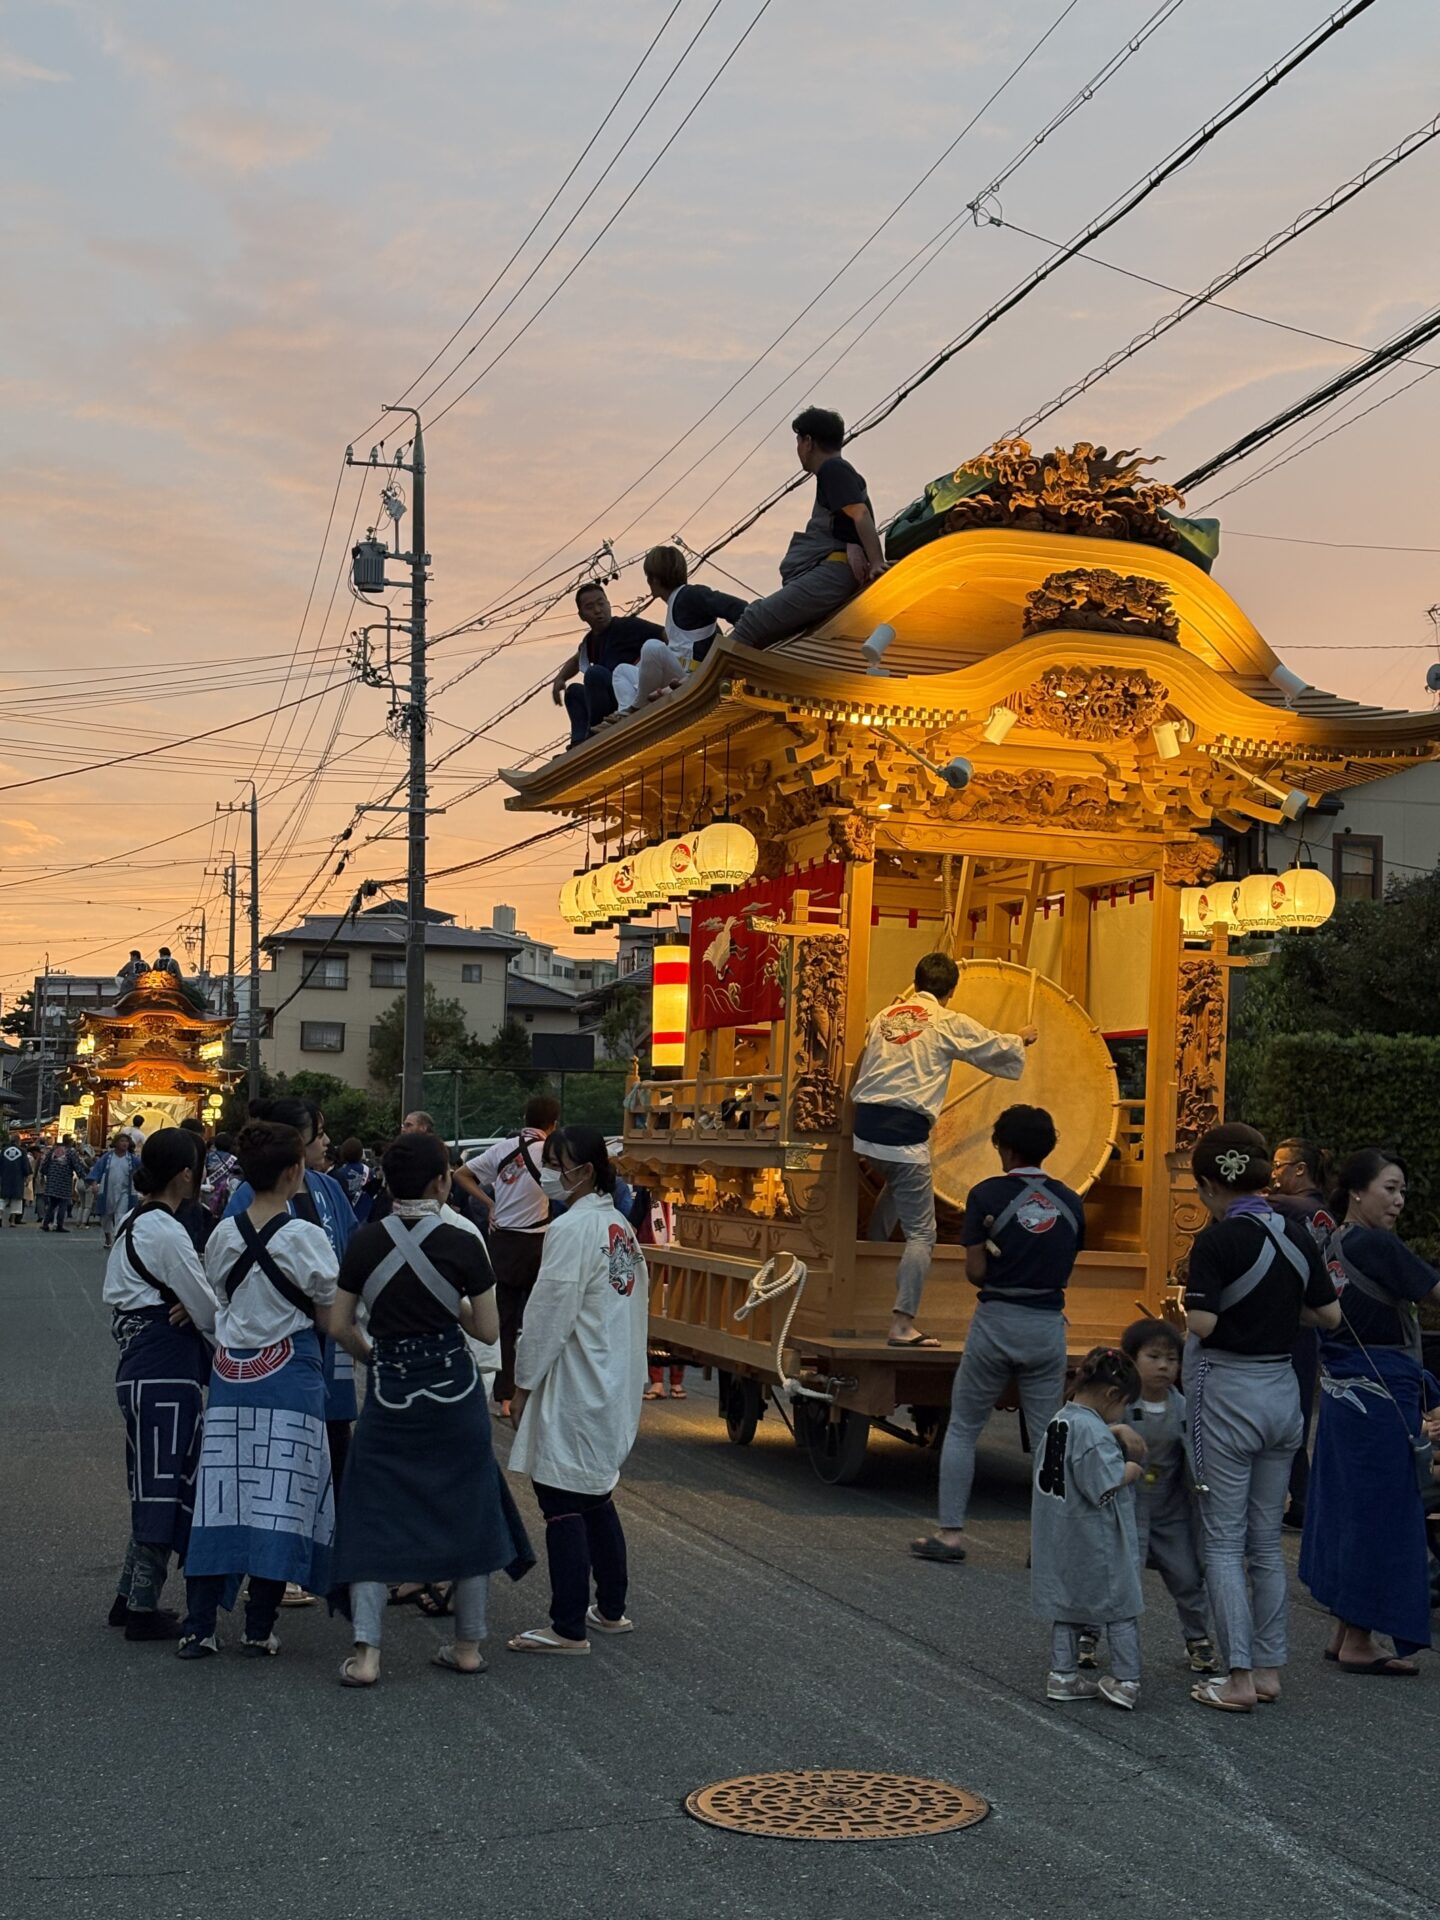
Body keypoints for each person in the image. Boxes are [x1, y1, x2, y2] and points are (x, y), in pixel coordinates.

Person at [327, 1131, 534, 1686]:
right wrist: (453, 1302)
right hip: (453, 1393)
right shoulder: (464, 1242)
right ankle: (467, 1645)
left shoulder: (364, 1241)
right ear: (443, 1181)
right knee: (468, 1506)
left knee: (371, 1510)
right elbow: (488, 1329)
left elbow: (338, 1324)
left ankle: (367, 1655)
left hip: (391, 1391)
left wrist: (372, 1356)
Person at [1183, 1123, 1339, 1712]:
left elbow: (1201, 1325)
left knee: (1223, 1543)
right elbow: (1327, 1315)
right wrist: (1276, 1314)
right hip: (1284, 1392)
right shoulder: (1297, 1233)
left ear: (1205, 1184)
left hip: (1228, 1391)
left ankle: (1238, 1676)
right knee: (1266, 1543)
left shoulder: (1216, 1242)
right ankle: (1269, 1669)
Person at [179, 1120, 339, 1659]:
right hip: (290, 1374)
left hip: (230, 1375)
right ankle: (257, 1625)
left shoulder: (223, 1233)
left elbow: (220, 1294)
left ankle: (199, 1624)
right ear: (295, 1171)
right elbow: (328, 1304)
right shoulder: (307, 1237)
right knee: (283, 1498)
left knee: (220, 1494)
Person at [911, 1104, 1082, 1563]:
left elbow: (975, 1270)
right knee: (1050, 1437)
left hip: (997, 1320)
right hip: (1047, 1324)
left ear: (1003, 1148)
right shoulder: (1071, 1200)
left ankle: (950, 1535)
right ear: (1048, 1148)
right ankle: (1046, 1543)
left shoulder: (986, 1195)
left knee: (965, 1427)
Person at [507, 1126, 648, 1655]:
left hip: (579, 1378)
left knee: (561, 1495)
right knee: (593, 1494)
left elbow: (548, 1313)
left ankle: (567, 1625)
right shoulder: (618, 1227)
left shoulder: (570, 1229)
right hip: (611, 1374)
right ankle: (610, 1607)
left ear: (584, 1170)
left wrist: (522, 1383)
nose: (548, 1172)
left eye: (555, 1162)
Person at [1300, 1149, 1440, 1675]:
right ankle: (1359, 1638)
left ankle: (1346, 1630)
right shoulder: (1378, 1245)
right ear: (1357, 1191)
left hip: (1341, 1394)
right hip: (1381, 1396)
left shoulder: (1333, 1243)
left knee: (1349, 1509)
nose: (1399, 1201)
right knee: (1384, 1513)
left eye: (1402, 1191)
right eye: (1390, 1188)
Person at [853, 952, 1035, 1346]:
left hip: (864, 1133)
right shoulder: (946, 1020)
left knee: (897, 1186)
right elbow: (992, 1046)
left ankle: (870, 1258)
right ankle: (902, 1324)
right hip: (903, 1136)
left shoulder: (887, 1015)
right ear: (952, 990)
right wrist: (1021, 1038)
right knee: (922, 1234)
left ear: (915, 981)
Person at [102, 1129, 218, 1640]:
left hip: (139, 1364)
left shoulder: (135, 1220)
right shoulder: (168, 1233)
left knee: (149, 1481)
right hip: (166, 1368)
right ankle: (142, 1609)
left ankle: (129, 1597)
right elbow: (206, 1307)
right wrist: (202, 1314)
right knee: (165, 1483)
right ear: (185, 1174)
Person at [222, 1095, 358, 1495]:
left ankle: (337, 1538)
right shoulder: (247, 1198)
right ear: (295, 1143)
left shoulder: (328, 1186)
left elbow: (352, 1248)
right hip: (278, 1344)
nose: (327, 1141)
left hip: (330, 1339)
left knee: (335, 1437)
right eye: (318, 1134)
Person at [1031, 1346, 1146, 1710]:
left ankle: (1062, 1675)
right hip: (1096, 1537)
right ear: (1112, 1395)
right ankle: (1127, 1681)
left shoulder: (1061, 1420)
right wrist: (1134, 1469)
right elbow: (1104, 1483)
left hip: (1060, 1532)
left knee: (1067, 1606)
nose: (1123, 1412)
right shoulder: (1094, 1433)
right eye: (1123, 1403)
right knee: (1121, 1605)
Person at [731, 407, 887, 649]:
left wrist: (877, 562)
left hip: (832, 574)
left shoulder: (833, 469)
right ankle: (730, 683)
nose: (798, 449)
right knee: (771, 642)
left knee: (754, 619)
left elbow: (860, 512)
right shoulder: (839, 474)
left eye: (798, 441)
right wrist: (851, 542)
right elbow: (849, 514)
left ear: (808, 442)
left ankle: (697, 679)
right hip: (831, 569)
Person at [1117, 1317, 1217, 1674]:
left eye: (1172, 1359)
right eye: (1153, 1357)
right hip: (1126, 1508)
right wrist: (1117, 1428)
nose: (1163, 1366)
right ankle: (1090, 1633)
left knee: (1187, 1576)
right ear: (1131, 1360)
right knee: (1116, 1575)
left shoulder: (1185, 1406)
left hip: (1170, 1509)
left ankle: (1198, 1638)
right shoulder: (1119, 1405)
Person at [453, 1094, 560, 1415]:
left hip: (502, 1244)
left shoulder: (502, 1148)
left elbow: (462, 1174)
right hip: (539, 1243)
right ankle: (535, 1391)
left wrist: (490, 1205)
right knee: (539, 1319)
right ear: (553, 1124)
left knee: (505, 1321)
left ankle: (505, 1396)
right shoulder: (551, 1153)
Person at [1270, 1139, 1336, 1531]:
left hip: (1289, 1320)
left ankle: (1306, 1499)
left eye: (1279, 1165)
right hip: (1310, 1321)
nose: (1274, 1172)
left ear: (1300, 1170)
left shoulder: (1289, 1207)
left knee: (1286, 1415)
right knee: (1294, 1413)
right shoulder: (1320, 1210)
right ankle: (1304, 1498)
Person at [550, 582, 666, 747]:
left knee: (594, 674)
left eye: (601, 603)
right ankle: (578, 744)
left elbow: (663, 633)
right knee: (574, 692)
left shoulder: (626, 626)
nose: (598, 610)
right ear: (582, 615)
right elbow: (576, 660)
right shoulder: (589, 641)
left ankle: (595, 733)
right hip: (605, 701)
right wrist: (559, 679)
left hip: (628, 698)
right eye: (590, 607)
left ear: (608, 604)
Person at [634, 546, 749, 704]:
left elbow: (739, 608)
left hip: (692, 677)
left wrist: (740, 646)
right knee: (622, 671)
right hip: (677, 676)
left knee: (651, 647)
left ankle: (639, 707)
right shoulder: (676, 603)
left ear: (654, 580)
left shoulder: (688, 595)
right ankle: (626, 710)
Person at [93, 1132, 138, 1250]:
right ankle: (108, 1236)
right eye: (122, 1141)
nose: (124, 1143)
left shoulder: (132, 1159)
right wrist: (94, 1184)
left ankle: (119, 1239)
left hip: (125, 1191)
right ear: (116, 1143)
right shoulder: (107, 1157)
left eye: (126, 1141)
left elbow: (142, 1171)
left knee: (121, 1215)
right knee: (106, 1216)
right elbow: (97, 1170)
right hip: (107, 1190)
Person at [38, 1135, 84, 1232]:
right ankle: (59, 1224)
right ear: (70, 1142)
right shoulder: (71, 1152)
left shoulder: (53, 1150)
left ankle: (45, 1223)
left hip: (52, 1179)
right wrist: (83, 1176)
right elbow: (77, 1166)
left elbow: (45, 1163)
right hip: (64, 1180)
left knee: (52, 1203)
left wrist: (44, 1173)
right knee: (63, 1202)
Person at [1, 1137, 28, 1226]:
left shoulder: (3, 1151)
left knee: (2, 1198)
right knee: (16, 1200)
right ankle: (12, 1221)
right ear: (18, 1141)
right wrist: (27, 1177)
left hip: (5, 1177)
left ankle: (0, 1217)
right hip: (17, 1178)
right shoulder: (23, 1151)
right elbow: (25, 1167)